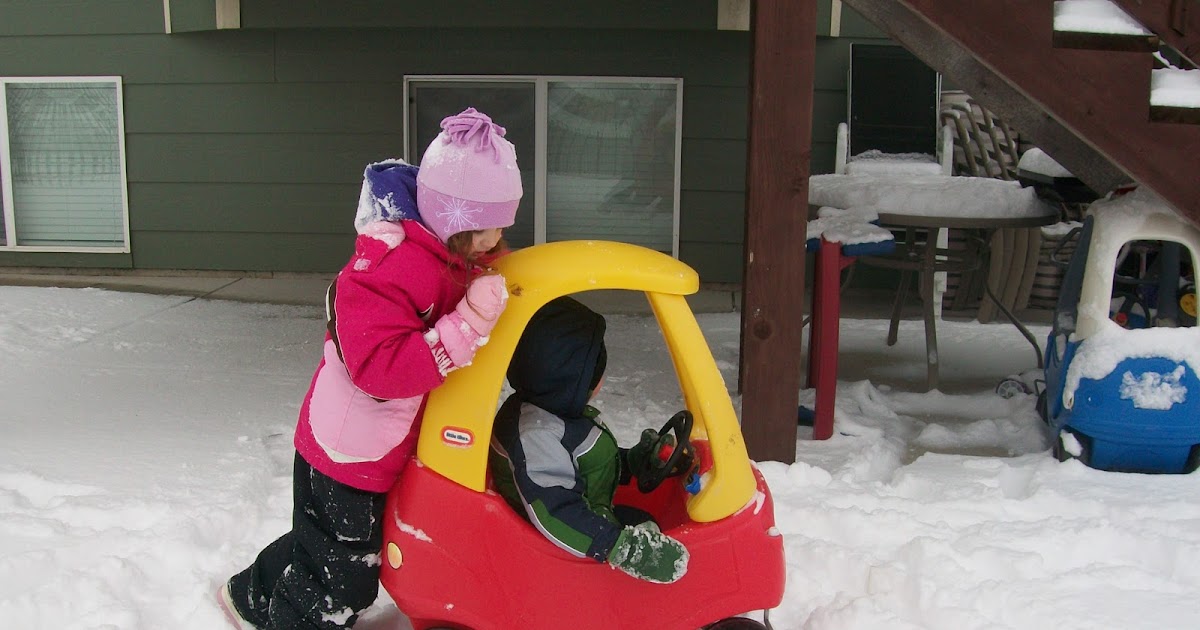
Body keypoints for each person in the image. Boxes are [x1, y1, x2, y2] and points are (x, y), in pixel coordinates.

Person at [220, 107, 523, 630]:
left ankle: (249, 597)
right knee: (345, 578)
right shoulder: (389, 267)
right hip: (347, 451)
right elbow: (380, 368)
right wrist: (469, 324)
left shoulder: (442, 253)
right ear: (450, 221)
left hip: (370, 445)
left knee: (323, 545)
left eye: (502, 226)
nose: (494, 241)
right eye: (484, 229)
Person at [488, 296, 690, 585]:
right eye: (594, 373)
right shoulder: (536, 435)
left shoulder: (551, 405)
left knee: (645, 520)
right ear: (571, 379)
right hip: (562, 550)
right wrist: (621, 548)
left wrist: (632, 461)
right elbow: (555, 511)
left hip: (591, 515)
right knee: (647, 530)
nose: (602, 379)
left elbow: (580, 463)